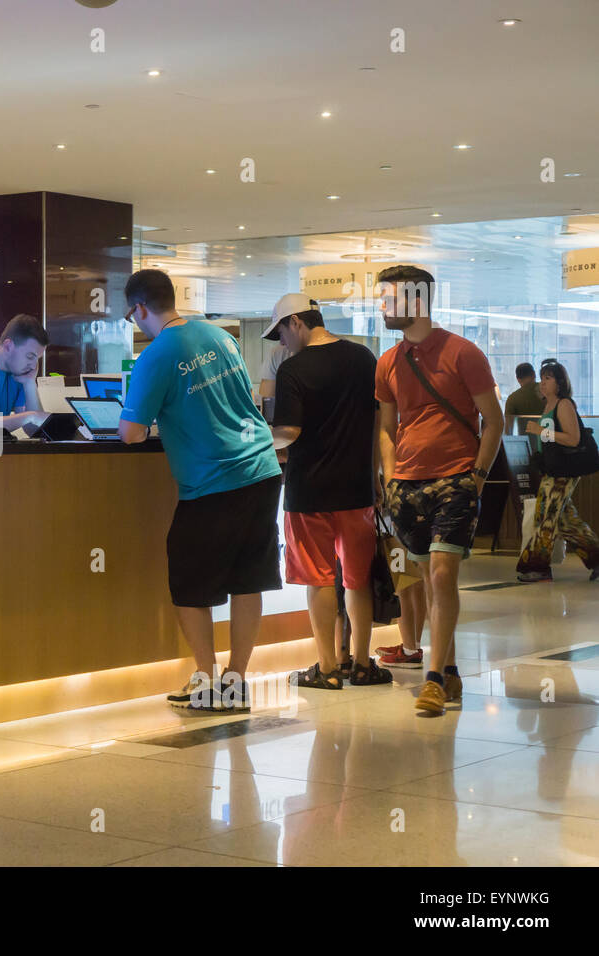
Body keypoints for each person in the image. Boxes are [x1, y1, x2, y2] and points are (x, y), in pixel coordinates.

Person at [118, 269, 282, 713]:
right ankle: (236, 680)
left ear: (139, 310)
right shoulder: (219, 335)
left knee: (191, 581)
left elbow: (131, 433)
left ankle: (206, 679)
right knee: (249, 579)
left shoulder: (157, 355)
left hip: (213, 482)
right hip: (262, 469)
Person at [375, 265, 504, 716]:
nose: (383, 306)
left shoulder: (462, 353)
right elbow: (387, 428)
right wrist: (390, 477)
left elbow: (495, 419)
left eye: (390, 298)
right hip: (407, 486)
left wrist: (479, 475)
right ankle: (449, 673)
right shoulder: (387, 362)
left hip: (455, 480)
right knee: (430, 579)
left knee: (444, 574)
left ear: (417, 300)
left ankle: (432, 677)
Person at [265, 293, 392, 689]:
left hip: (310, 491)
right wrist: (376, 473)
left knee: (318, 580)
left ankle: (326, 669)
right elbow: (378, 421)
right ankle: (361, 663)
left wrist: (255, 439)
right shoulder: (363, 358)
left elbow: (289, 432)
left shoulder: (293, 370)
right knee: (357, 579)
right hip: (356, 489)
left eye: (282, 333)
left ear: (297, 323)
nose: (282, 343)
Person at [517, 359, 599, 582]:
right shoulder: (549, 406)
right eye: (542, 378)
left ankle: (537, 567)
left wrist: (540, 432)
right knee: (566, 522)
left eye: (548, 378)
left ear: (560, 382)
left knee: (544, 517)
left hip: (564, 473)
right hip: (553, 470)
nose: (542, 383)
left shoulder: (564, 405)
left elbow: (573, 439)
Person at [0, 314, 49, 430]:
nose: (34, 366)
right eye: (30, 356)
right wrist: (30, 416)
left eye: (37, 359)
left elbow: (33, 430)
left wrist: (30, 383)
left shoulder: (19, 373)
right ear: (8, 346)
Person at [504, 361, 546, 442]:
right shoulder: (547, 392)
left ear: (518, 379)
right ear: (534, 374)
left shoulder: (512, 399)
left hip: (526, 444)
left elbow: (508, 430)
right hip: (548, 441)